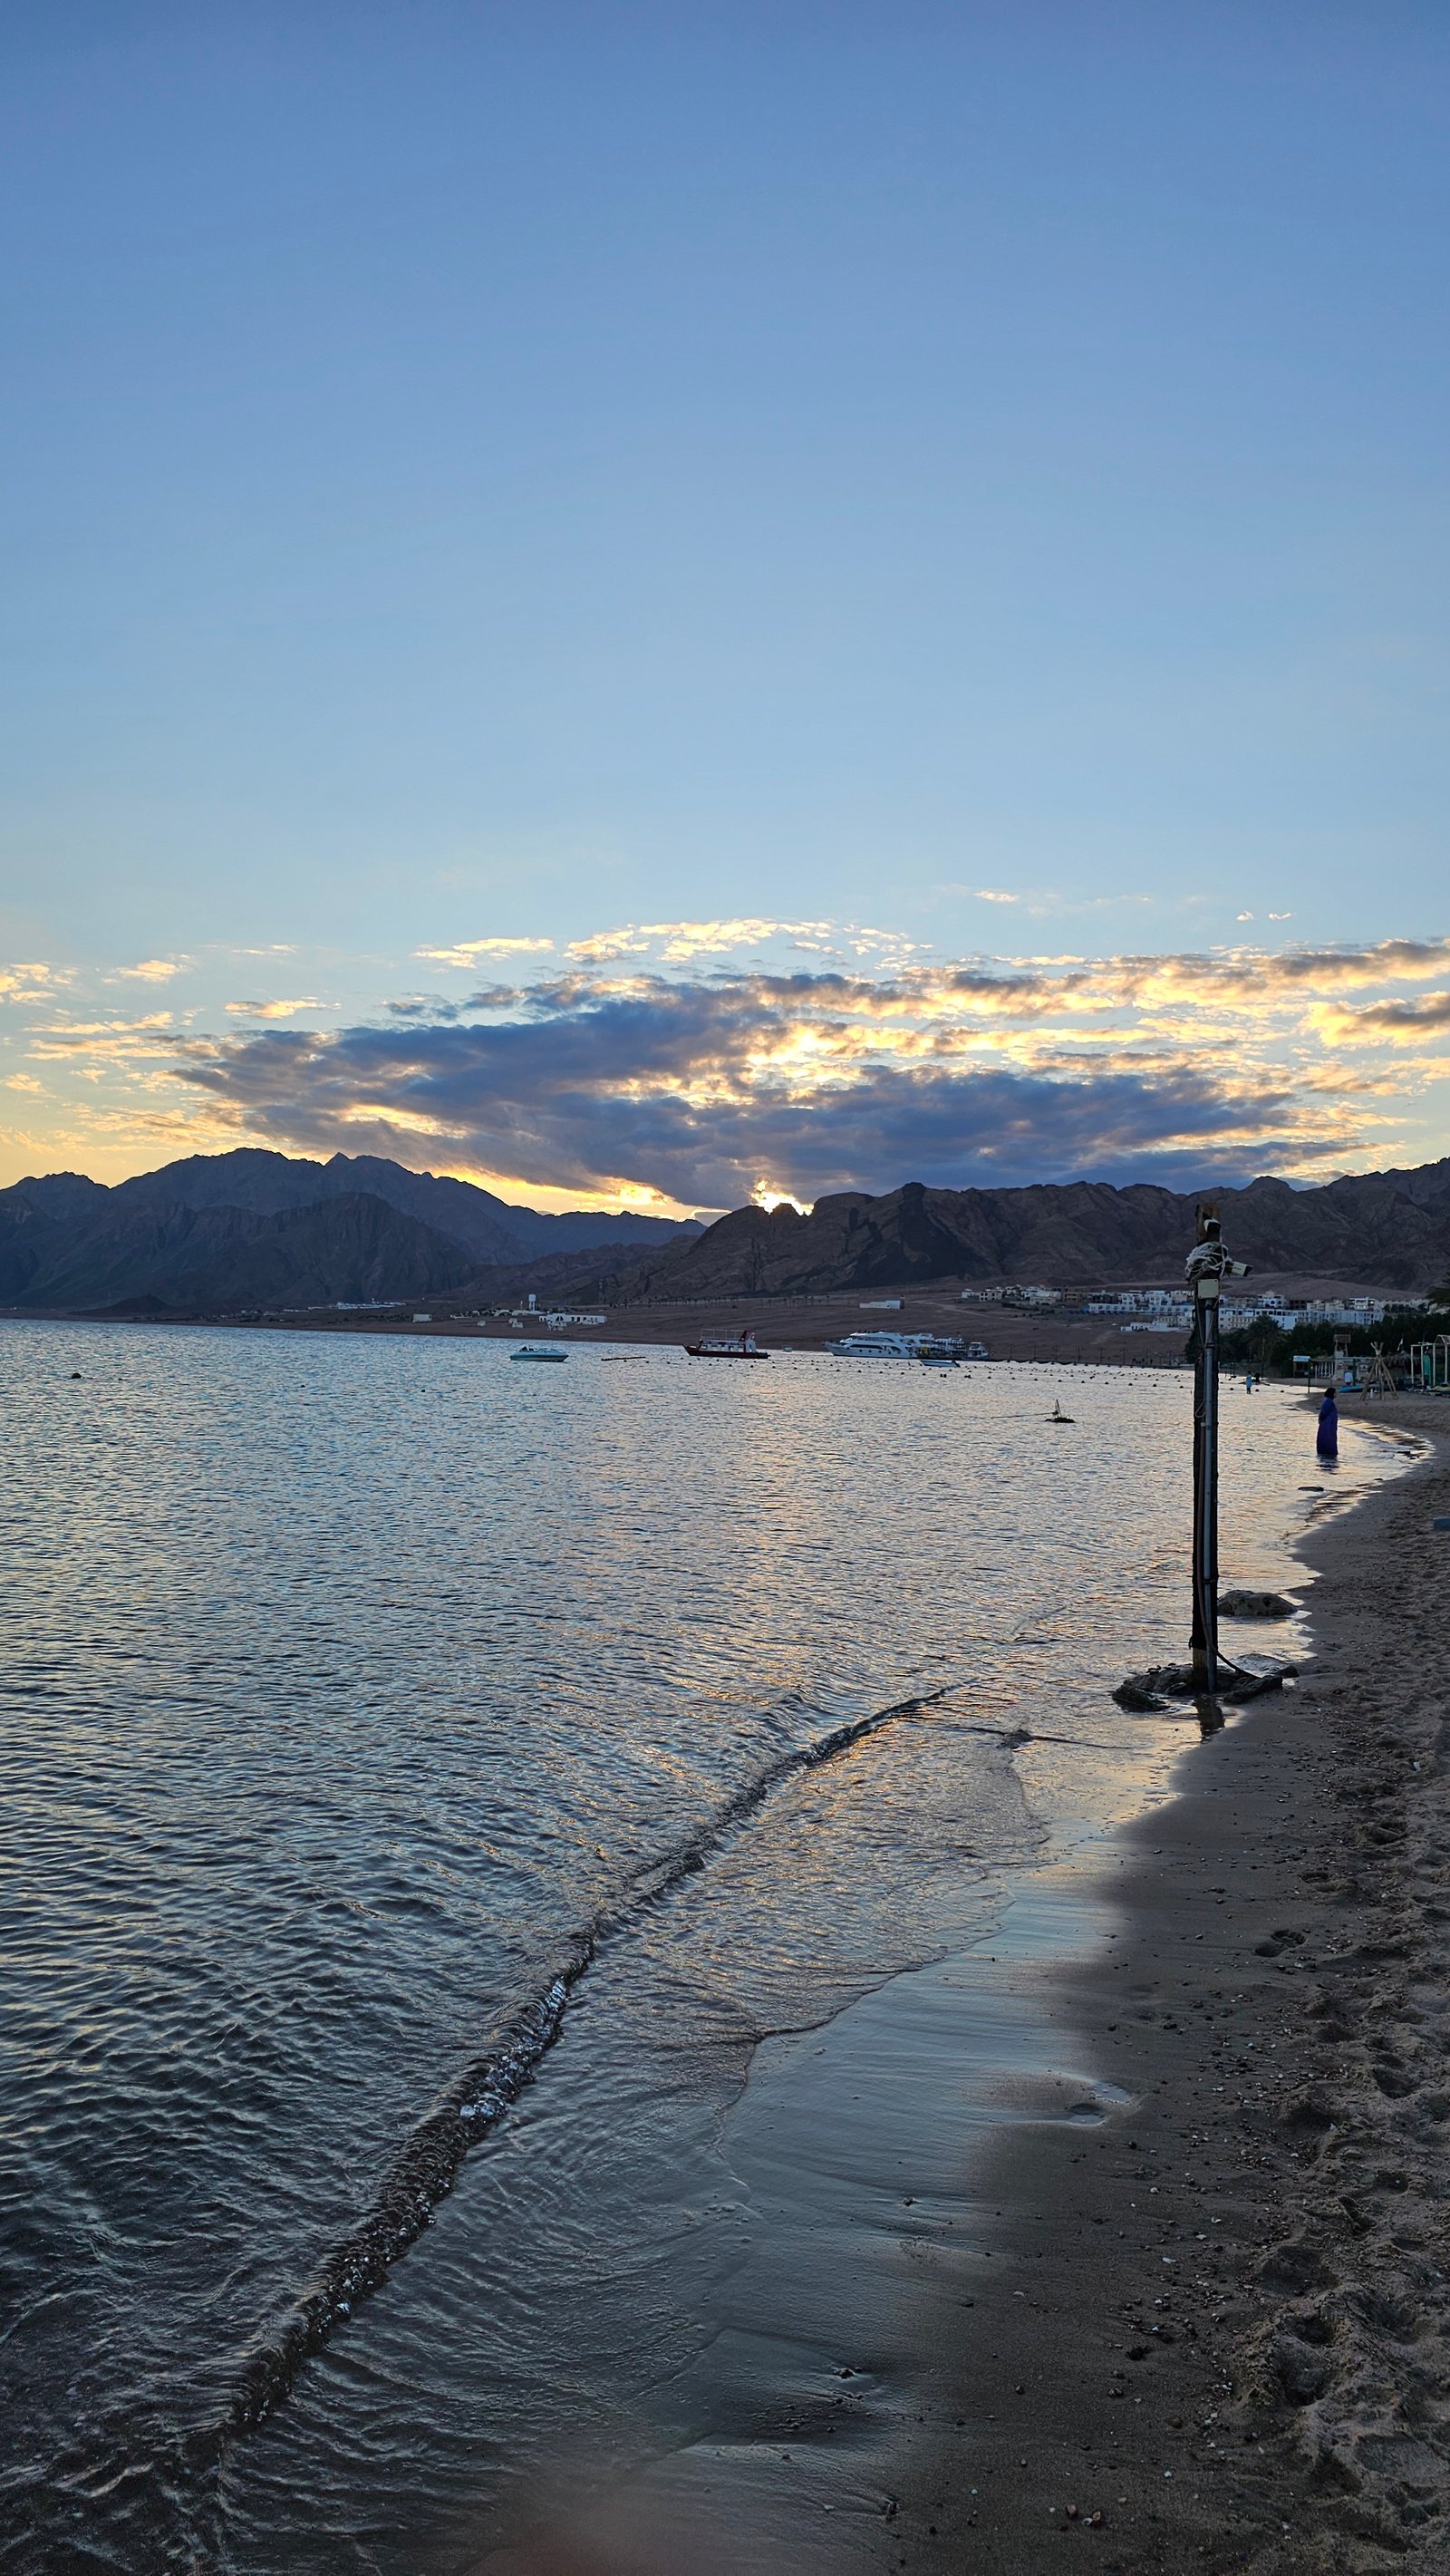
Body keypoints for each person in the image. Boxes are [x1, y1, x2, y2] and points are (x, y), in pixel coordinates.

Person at [1317, 1385, 1339, 1458]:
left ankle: (1327, 1453)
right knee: (1328, 1438)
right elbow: (1324, 1412)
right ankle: (1329, 1453)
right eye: (1335, 1393)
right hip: (1328, 1424)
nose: (1336, 1394)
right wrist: (1321, 1419)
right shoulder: (1328, 1402)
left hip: (1329, 1423)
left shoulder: (1328, 1401)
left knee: (1329, 1438)